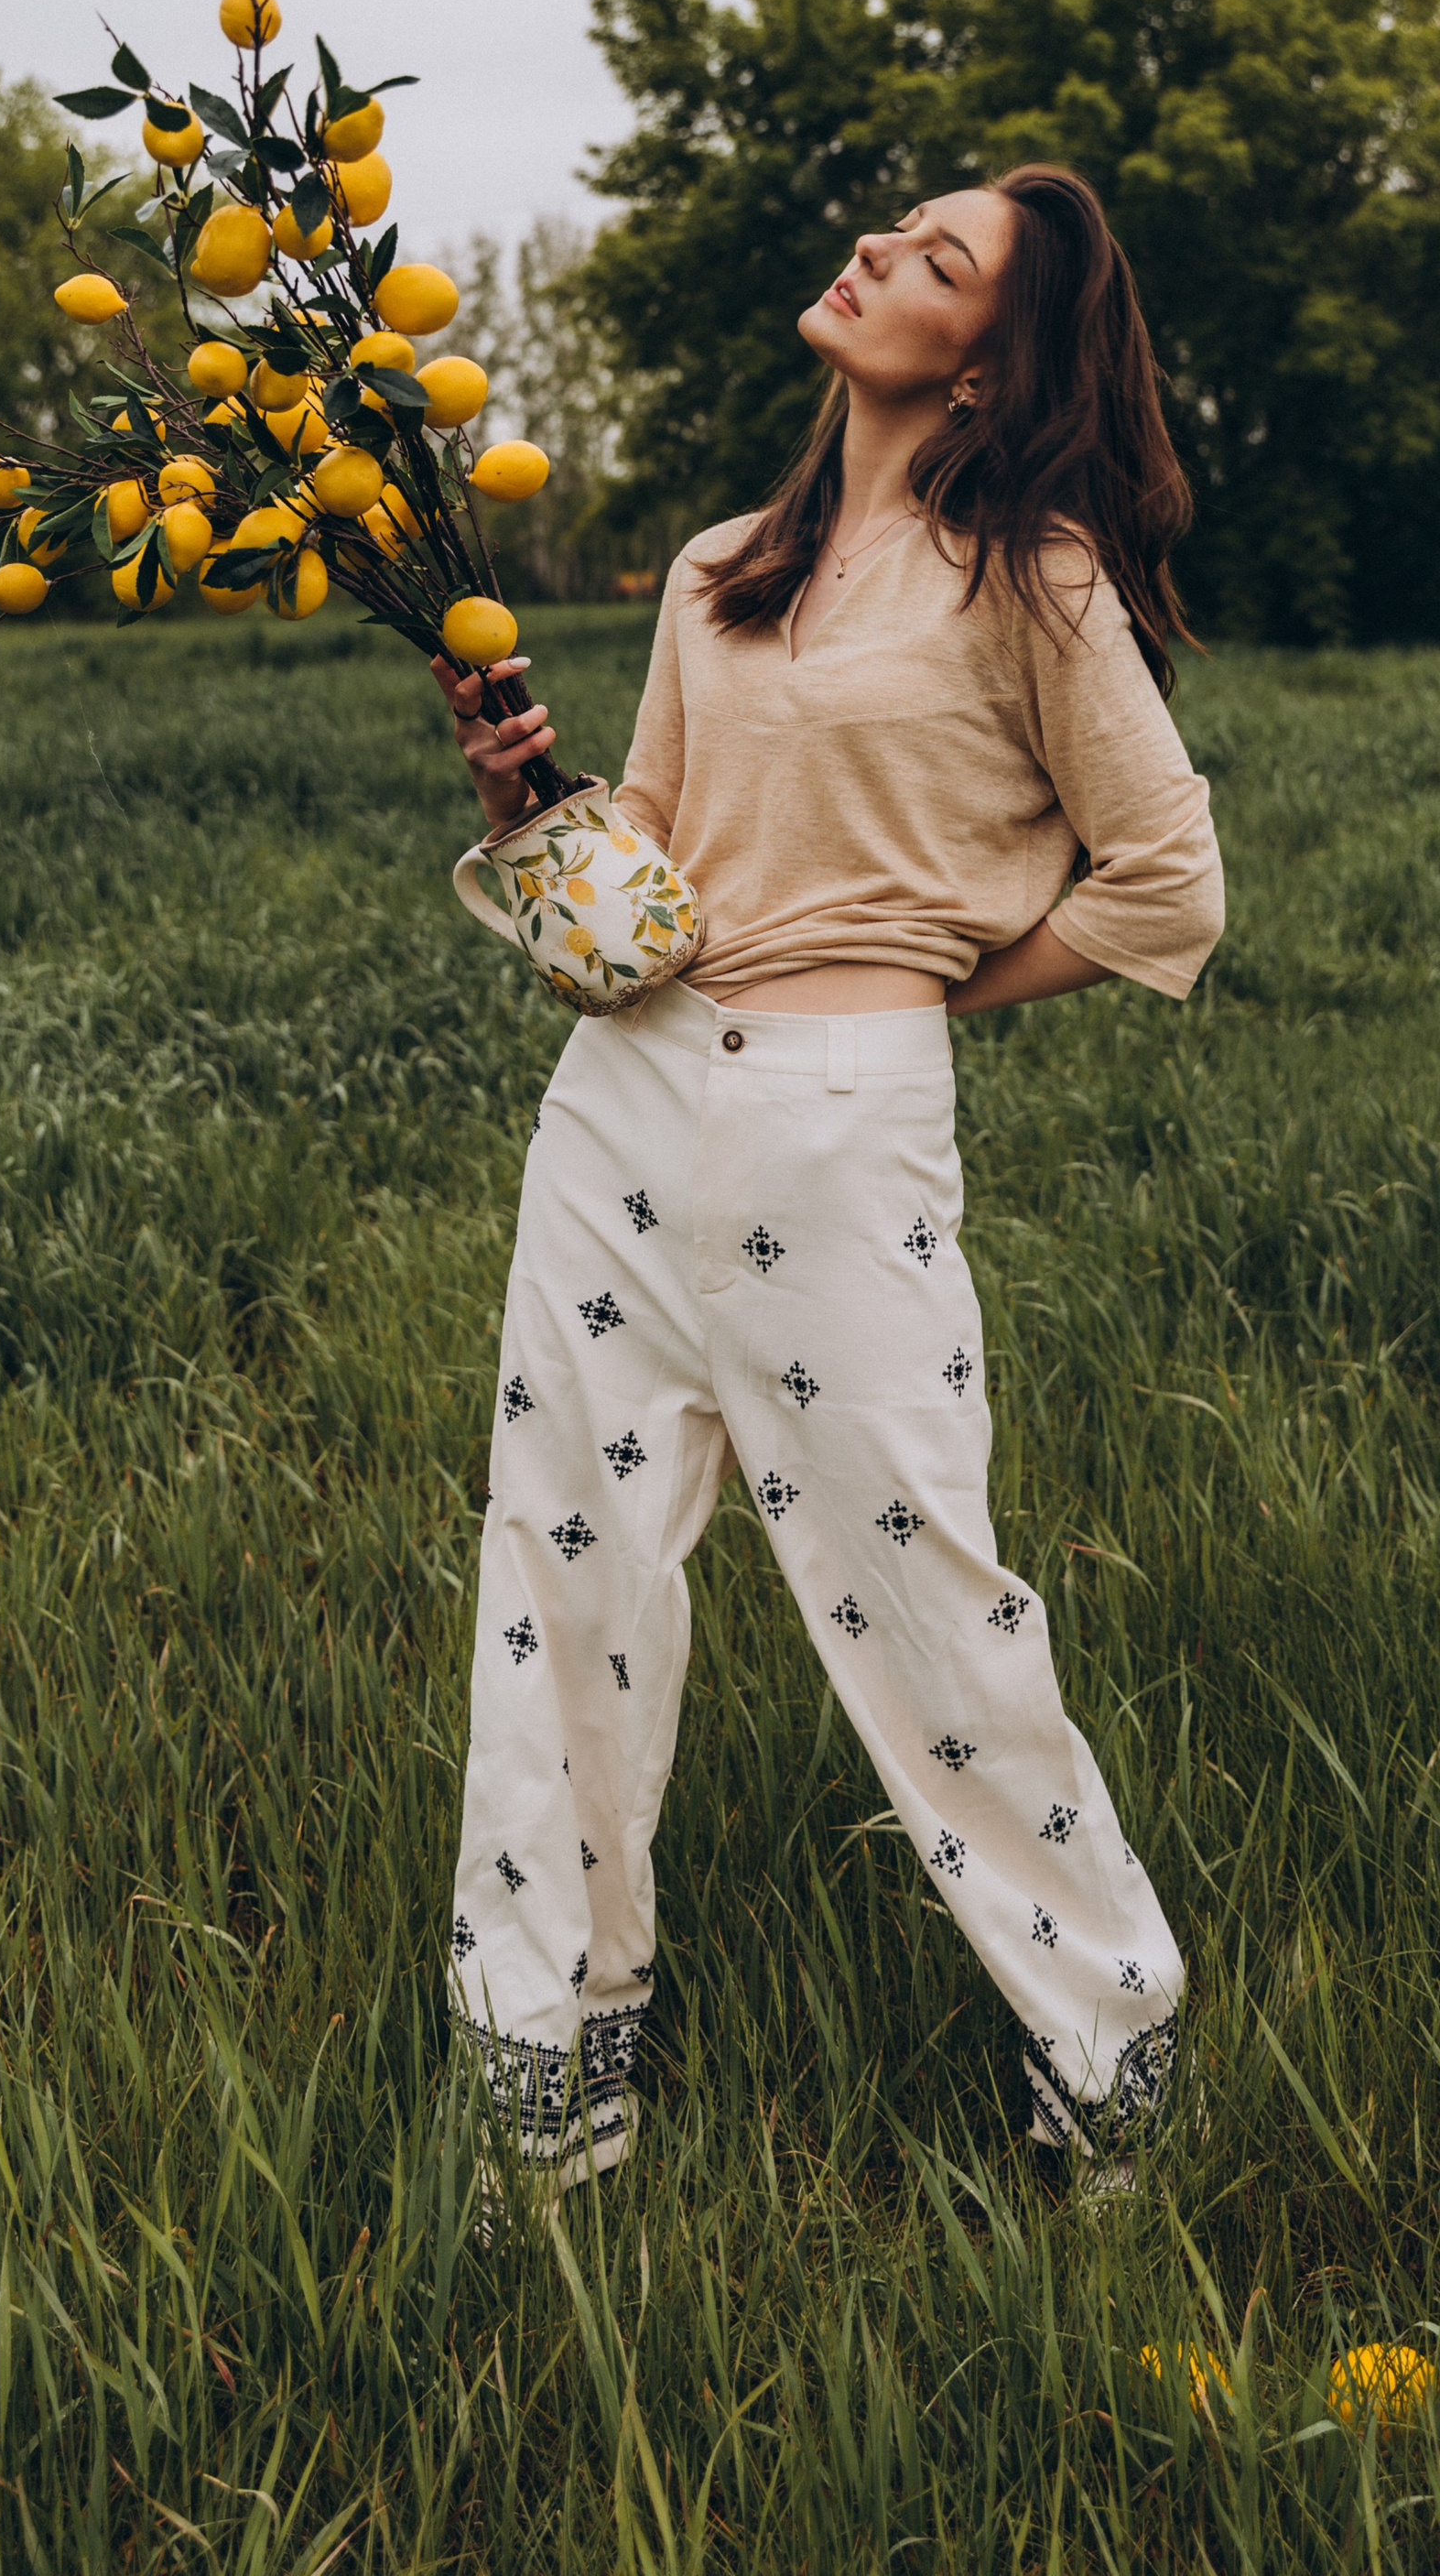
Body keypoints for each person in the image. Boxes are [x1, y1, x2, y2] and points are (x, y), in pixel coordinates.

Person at [428, 163, 1225, 2200]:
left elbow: (1162, 883)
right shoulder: (720, 568)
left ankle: (1103, 2030)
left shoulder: (1030, 578)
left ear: (985, 362)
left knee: (916, 1587)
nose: (876, 250)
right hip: (619, 1097)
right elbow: (651, 892)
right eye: (897, 228)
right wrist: (538, 804)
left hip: (835, 1114)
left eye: (937, 262)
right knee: (560, 1570)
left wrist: (926, 986)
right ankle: (550, 2032)